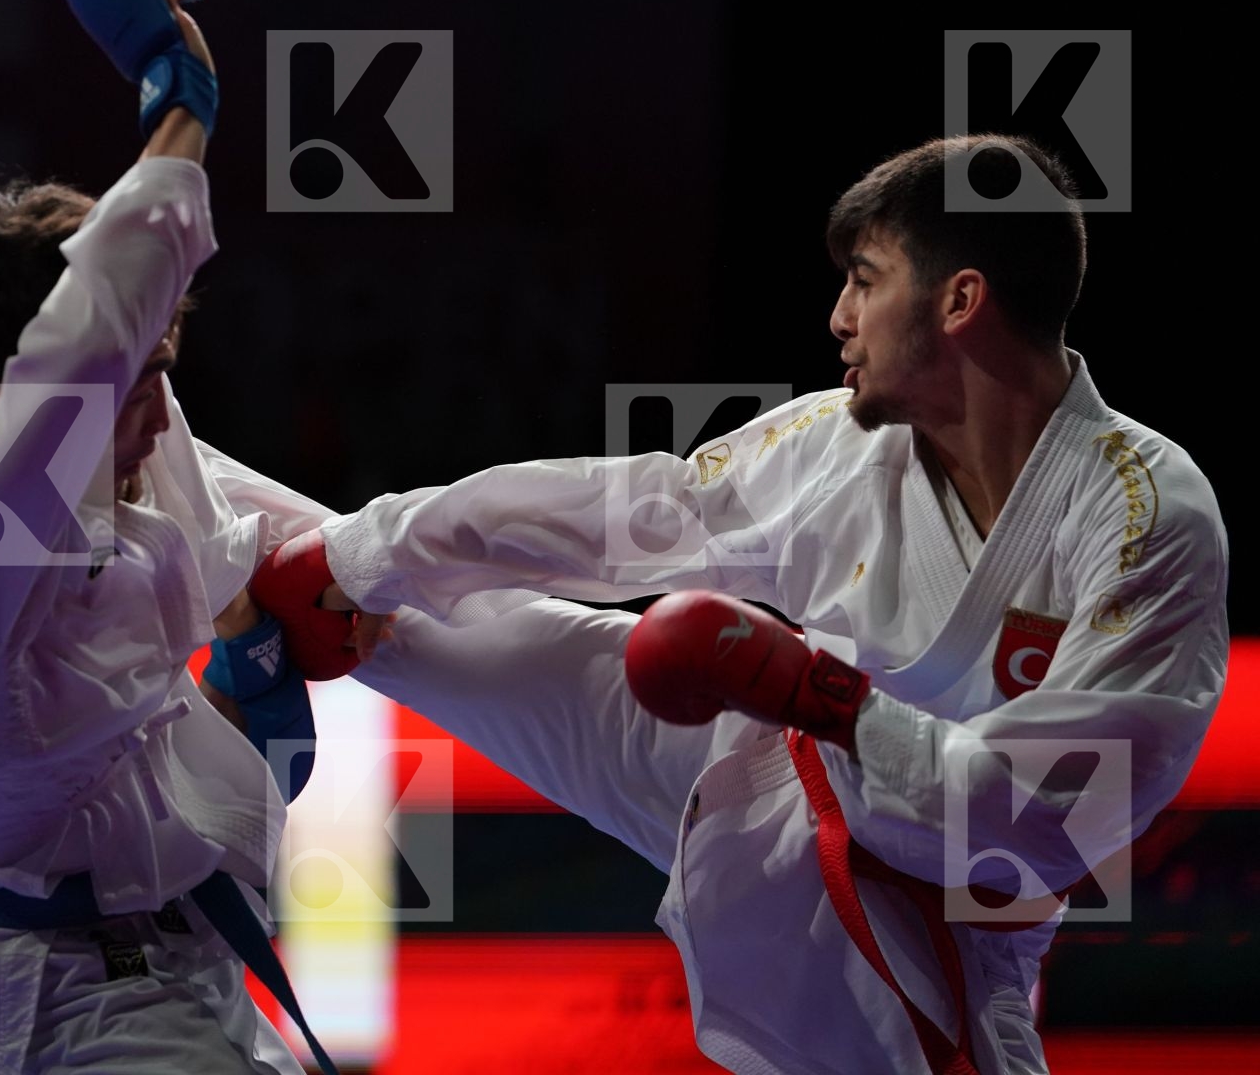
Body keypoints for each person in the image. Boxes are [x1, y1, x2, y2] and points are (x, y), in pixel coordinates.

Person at [245, 134, 1228, 1074]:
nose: (840, 316)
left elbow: (1047, 817)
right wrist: (362, 551)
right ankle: (200, 511)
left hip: (941, 936)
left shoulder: (1145, 516)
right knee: (414, 620)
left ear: (961, 300)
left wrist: (828, 697)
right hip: (771, 772)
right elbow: (620, 514)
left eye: (867, 279)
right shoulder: (842, 446)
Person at [0, 0, 356, 1075]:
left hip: (194, 952)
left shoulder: (59, 408)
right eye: (137, 379)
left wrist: (263, 677)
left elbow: (229, 633)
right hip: (63, 1007)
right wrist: (180, 93)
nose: (163, 415)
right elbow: (89, 336)